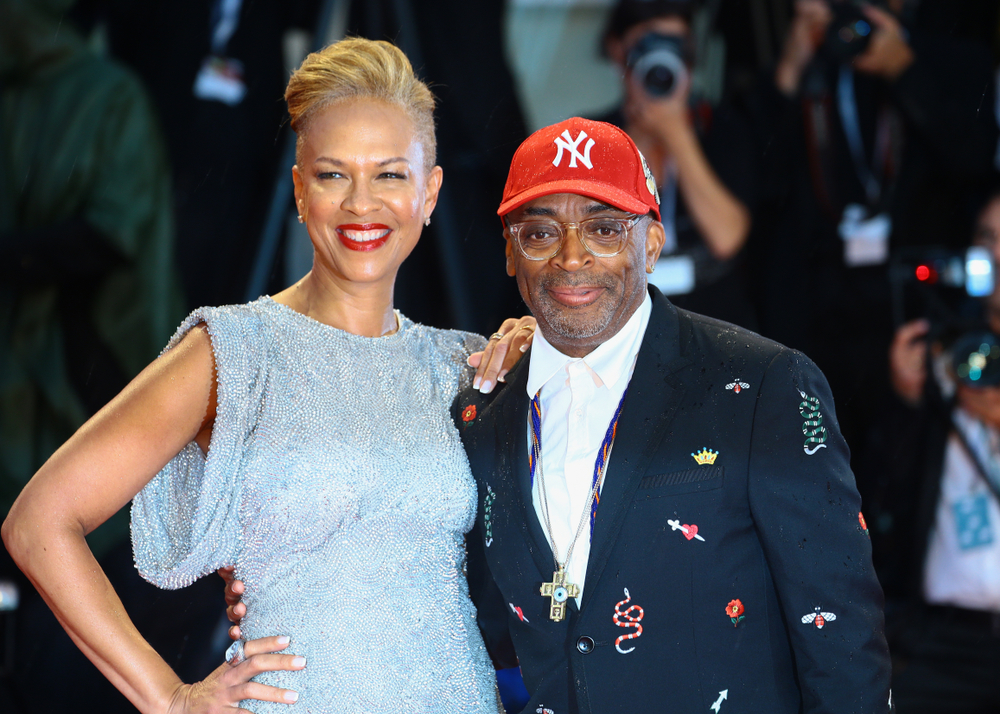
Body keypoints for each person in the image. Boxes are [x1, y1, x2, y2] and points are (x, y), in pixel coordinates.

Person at [2, 37, 534, 713]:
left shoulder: (464, 361)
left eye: (391, 175)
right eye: (333, 174)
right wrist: (169, 697)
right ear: (299, 189)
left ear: (429, 193)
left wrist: (543, 347)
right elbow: (40, 523)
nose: (361, 203)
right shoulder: (233, 350)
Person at [454, 117, 891, 712]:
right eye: (540, 234)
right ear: (510, 252)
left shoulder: (764, 385)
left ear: (652, 245)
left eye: (605, 229)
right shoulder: (483, 408)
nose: (572, 257)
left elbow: (841, 634)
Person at [747, 0, 998, 451]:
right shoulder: (807, 61)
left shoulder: (956, 56)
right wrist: (790, 67)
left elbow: (973, 160)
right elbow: (756, 182)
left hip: (917, 303)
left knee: (907, 458)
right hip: (817, 310)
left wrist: (905, 70)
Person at [864, 190, 1000, 713]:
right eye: (986, 237)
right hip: (946, 641)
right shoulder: (949, 351)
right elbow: (879, 493)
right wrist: (905, 399)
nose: (995, 251)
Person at [597, 0, 758, 329]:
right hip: (624, 323)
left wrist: (677, 135)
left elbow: (727, 237)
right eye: (647, 44)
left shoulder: (723, 128)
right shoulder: (592, 139)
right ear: (617, 50)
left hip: (715, 319)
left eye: (677, 46)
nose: (662, 56)